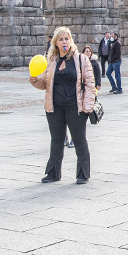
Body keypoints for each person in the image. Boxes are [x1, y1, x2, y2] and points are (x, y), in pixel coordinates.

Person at [30, 26, 97, 184]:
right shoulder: (52, 60)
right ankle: (53, 173)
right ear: (56, 43)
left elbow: (89, 83)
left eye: (66, 38)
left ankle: (83, 174)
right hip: (55, 107)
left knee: (79, 140)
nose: (64, 41)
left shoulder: (81, 59)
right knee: (57, 140)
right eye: (61, 39)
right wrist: (35, 81)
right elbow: (45, 83)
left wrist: (88, 106)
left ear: (70, 40)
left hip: (75, 106)